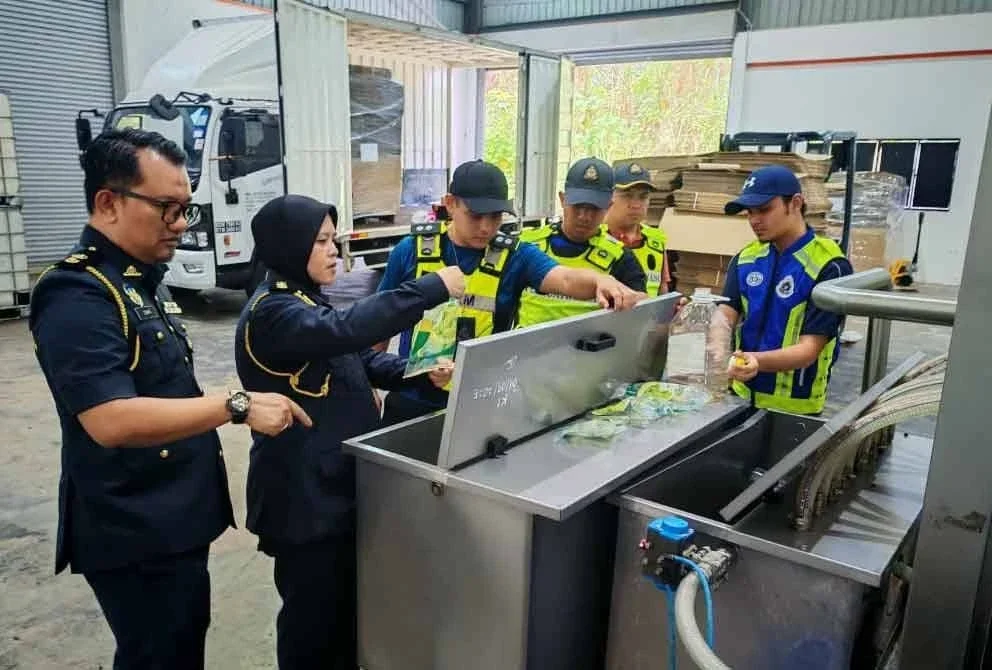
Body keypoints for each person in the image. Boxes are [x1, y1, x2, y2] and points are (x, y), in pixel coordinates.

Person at [29, 128, 310, 670]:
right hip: (132, 525)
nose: (180, 225)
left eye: (185, 209)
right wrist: (237, 405)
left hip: (172, 514)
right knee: (157, 655)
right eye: (166, 208)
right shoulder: (78, 293)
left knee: (179, 644)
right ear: (108, 202)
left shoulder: (139, 281)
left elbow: (161, 389)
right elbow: (110, 418)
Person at [234, 194, 465, 669]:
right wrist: (428, 289)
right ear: (289, 245)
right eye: (321, 241)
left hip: (335, 485)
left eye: (334, 240)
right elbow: (344, 331)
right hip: (303, 498)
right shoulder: (272, 312)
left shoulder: (304, 301)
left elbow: (357, 359)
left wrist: (415, 372)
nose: (334, 250)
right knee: (311, 625)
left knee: (342, 614)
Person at [377, 159, 645, 425]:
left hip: (481, 403)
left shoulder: (516, 257)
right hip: (411, 400)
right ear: (450, 203)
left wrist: (600, 280)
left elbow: (564, 278)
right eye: (475, 215)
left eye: (495, 217)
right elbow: (380, 323)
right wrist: (366, 385)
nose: (485, 227)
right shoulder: (410, 250)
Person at [707, 165, 853, 415]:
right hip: (740, 397)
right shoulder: (746, 259)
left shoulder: (828, 265)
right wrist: (718, 348)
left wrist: (757, 362)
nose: (754, 220)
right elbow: (725, 314)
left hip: (796, 408)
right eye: (749, 212)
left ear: (795, 203)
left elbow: (810, 348)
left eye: (764, 210)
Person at [515, 157, 647, 328]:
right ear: (563, 200)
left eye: (594, 208)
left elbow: (643, 311)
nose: (584, 216)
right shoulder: (526, 246)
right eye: (578, 206)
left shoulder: (621, 259)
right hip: (526, 351)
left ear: (609, 206)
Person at [602, 161, 673, 296]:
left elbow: (662, 292)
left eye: (643, 197)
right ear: (608, 197)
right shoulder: (594, 237)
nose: (636, 205)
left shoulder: (656, 240)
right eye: (627, 195)